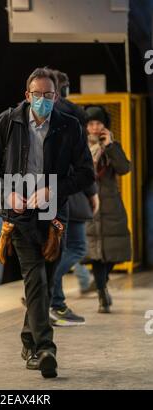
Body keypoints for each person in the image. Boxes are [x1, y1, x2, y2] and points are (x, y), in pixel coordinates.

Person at [0, 67, 95, 378]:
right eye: (36, 95)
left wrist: (53, 188)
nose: (42, 100)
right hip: (19, 215)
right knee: (35, 279)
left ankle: (28, 340)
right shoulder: (9, 122)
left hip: (53, 217)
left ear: (56, 97)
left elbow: (86, 173)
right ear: (26, 95)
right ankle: (46, 348)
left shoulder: (69, 126)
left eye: (48, 95)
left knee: (42, 281)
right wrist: (7, 194)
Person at [49, 71, 100, 326]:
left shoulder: (30, 118)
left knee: (57, 249)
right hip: (70, 194)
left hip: (45, 195)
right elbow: (83, 162)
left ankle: (52, 300)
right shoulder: (72, 118)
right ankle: (49, 294)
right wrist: (91, 192)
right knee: (74, 248)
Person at [85, 105, 131, 313]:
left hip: (111, 206)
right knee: (95, 253)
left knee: (112, 253)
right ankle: (102, 292)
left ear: (105, 126)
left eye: (98, 124)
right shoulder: (80, 147)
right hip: (89, 205)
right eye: (91, 124)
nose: (94, 128)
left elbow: (124, 168)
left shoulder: (112, 147)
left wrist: (110, 146)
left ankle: (103, 283)